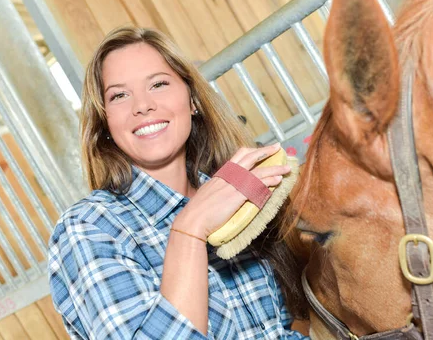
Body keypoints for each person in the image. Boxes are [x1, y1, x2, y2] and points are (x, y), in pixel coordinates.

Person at [48, 26, 308, 339]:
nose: (142, 105)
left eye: (158, 84)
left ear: (193, 100)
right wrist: (191, 227)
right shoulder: (89, 228)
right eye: (119, 95)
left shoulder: (229, 194)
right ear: (106, 123)